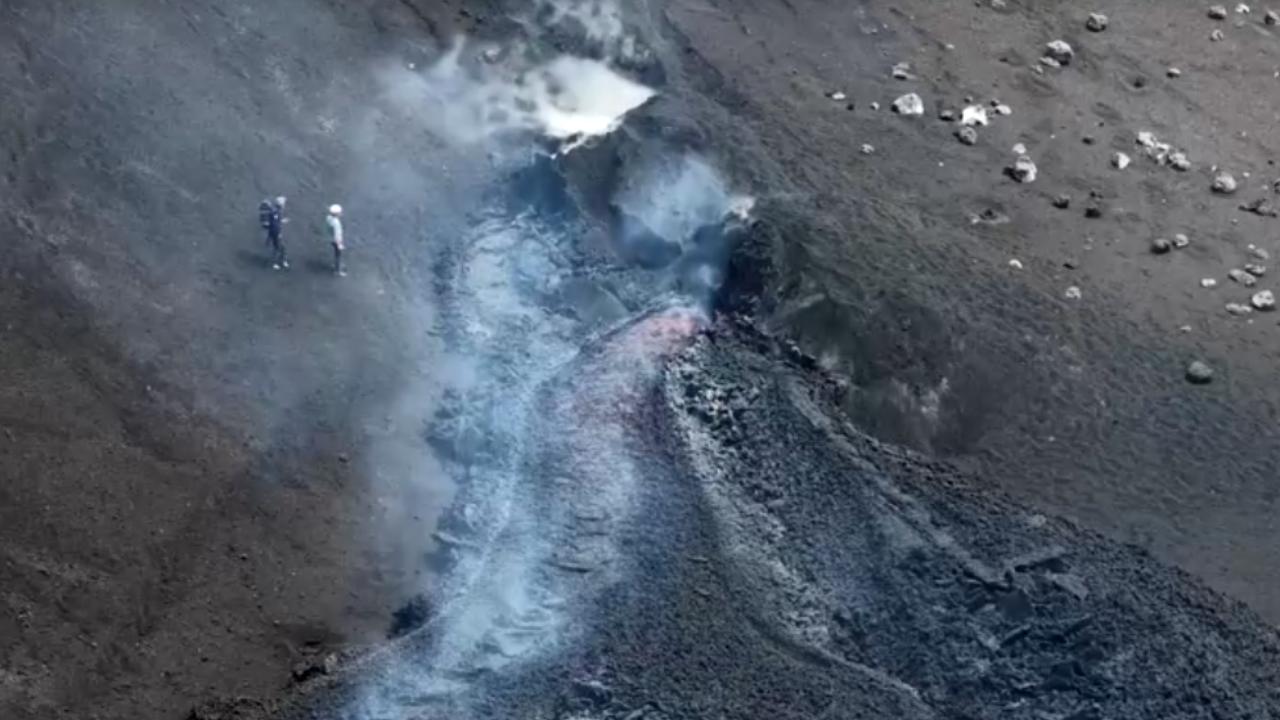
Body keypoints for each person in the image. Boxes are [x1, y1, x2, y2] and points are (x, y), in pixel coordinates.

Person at [266, 196, 289, 270]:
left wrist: (282, 221)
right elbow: (275, 225)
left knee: (280, 248)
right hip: (276, 233)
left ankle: (282, 261)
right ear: (281, 204)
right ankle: (276, 263)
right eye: (284, 203)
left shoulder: (275, 211)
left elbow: (275, 222)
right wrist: (278, 234)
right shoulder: (276, 212)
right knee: (279, 248)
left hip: (273, 233)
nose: (284, 205)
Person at [326, 204, 346, 276]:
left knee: (336, 254)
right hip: (336, 241)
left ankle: (336, 265)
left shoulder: (328, 218)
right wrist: (339, 244)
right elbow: (337, 235)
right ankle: (338, 269)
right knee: (338, 255)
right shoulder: (336, 223)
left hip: (330, 238)